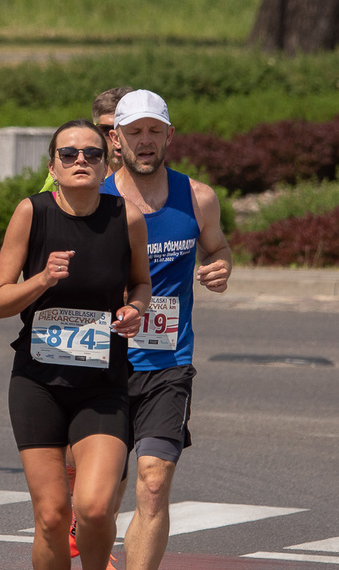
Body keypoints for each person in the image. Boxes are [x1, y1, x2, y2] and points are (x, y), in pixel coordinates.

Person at [0, 119, 151, 569]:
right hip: (38, 382)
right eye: (69, 154)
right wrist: (42, 279)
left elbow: (141, 283)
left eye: (92, 154)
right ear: (52, 166)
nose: (81, 160)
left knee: (94, 508)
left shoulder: (126, 218)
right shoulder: (32, 212)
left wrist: (134, 309)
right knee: (53, 516)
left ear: (107, 165)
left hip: (102, 383)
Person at [102, 89, 232, 570]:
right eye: (134, 131)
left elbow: (218, 248)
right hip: (101, 364)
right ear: (116, 139)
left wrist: (220, 267)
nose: (145, 140)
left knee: (154, 484)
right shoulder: (94, 200)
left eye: (154, 130)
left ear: (169, 135)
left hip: (167, 362)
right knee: (101, 497)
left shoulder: (197, 198)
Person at [39, 86, 133, 194]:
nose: (117, 139)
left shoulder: (148, 177)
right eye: (107, 130)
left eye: (129, 130)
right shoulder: (68, 169)